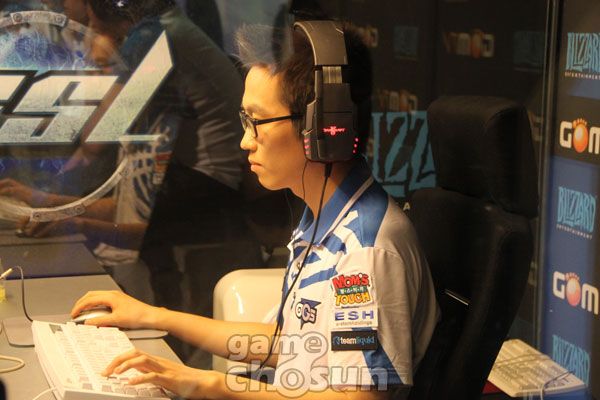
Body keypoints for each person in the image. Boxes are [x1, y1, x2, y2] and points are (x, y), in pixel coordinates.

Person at [69, 20, 439, 399]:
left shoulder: (365, 249)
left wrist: (205, 383)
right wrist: (152, 316)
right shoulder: (326, 218)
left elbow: (358, 399)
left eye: (257, 121)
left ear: (322, 127)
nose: (246, 141)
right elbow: (288, 343)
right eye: (245, 120)